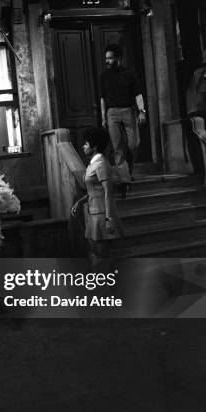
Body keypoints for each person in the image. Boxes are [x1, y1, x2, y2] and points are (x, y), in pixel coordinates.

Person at [71, 127, 124, 267]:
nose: (83, 146)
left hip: (102, 215)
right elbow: (93, 191)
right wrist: (80, 202)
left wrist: (108, 219)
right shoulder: (93, 163)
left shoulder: (101, 164)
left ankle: (105, 284)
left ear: (94, 147)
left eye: (86, 144)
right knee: (96, 254)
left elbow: (108, 193)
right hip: (93, 213)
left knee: (102, 256)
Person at [100, 44, 146, 198]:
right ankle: (125, 181)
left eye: (110, 58)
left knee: (134, 144)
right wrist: (103, 116)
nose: (107, 61)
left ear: (118, 58)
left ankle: (127, 171)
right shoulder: (104, 76)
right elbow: (102, 98)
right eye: (106, 58)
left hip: (128, 111)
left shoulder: (130, 74)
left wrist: (142, 111)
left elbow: (138, 94)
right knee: (118, 148)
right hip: (112, 113)